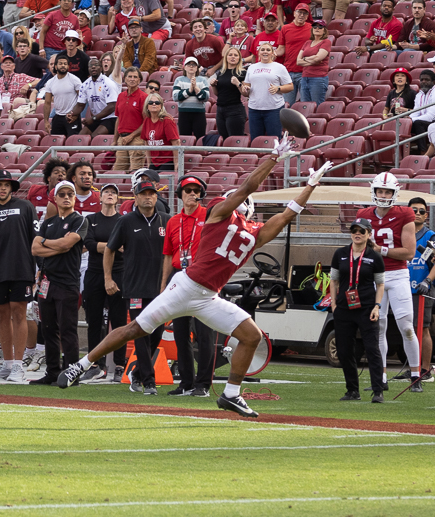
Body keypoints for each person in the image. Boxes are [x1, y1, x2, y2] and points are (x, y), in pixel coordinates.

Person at [57, 136, 327, 421]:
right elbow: (249, 186)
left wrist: (310, 187)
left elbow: (285, 217)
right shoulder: (219, 214)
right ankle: (81, 365)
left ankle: (232, 394)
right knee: (136, 329)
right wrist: (273, 158)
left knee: (251, 336)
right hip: (185, 286)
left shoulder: (255, 232)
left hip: (208, 296)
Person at [94, 179, 170, 394]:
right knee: (140, 333)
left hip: (161, 289)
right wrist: (108, 279)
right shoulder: (126, 221)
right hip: (135, 287)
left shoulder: (167, 220)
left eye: (151, 193)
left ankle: (137, 373)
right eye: (143, 193)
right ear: (135, 197)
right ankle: (149, 382)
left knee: (156, 333)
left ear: (156, 196)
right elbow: (110, 249)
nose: (148, 197)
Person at [356, 173, 422, 393]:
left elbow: (410, 252)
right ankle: (380, 377)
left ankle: (415, 375)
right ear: (373, 191)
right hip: (374, 278)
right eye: (380, 191)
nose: (383, 196)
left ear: (396, 193)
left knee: (406, 327)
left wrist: (380, 250)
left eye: (387, 192)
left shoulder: (405, 213)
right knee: (379, 328)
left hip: (397, 275)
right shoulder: (363, 214)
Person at [0, 170, 38, 383]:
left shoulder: (26, 207)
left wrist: (38, 269)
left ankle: (19, 366)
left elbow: (36, 239)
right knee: (1, 316)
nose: (3, 188)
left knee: (20, 314)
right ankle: (8, 364)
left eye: (6, 184)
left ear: (12, 188)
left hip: (22, 270)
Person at [162, 176, 215, 398]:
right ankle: (186, 381)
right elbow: (167, 255)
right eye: (188, 190)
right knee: (181, 332)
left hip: (202, 276)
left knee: (204, 333)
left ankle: (203, 383)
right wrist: (164, 285)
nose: (193, 194)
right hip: (179, 276)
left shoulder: (210, 216)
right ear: (180, 195)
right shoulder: (173, 221)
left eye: (197, 190)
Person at [30, 180, 88, 386]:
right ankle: (52, 372)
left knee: (67, 329)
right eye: (61, 194)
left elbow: (67, 244)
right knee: (47, 329)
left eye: (69, 194)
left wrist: (48, 243)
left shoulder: (78, 221)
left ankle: (72, 371)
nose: (66, 197)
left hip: (67, 282)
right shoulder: (47, 223)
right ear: (54, 199)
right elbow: (35, 249)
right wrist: (54, 245)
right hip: (47, 281)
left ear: (74, 198)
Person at [329, 218, 386, 403]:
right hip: (344, 308)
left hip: (367, 308)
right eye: (354, 230)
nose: (357, 233)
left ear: (369, 233)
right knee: (344, 350)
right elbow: (334, 280)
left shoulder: (374, 256)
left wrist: (377, 306)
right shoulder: (340, 254)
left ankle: (378, 391)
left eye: (362, 231)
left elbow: (380, 284)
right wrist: (334, 304)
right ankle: (352, 390)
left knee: (372, 349)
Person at [81, 183, 126, 383]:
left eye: (113, 193)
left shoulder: (123, 220)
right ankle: (94, 364)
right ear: (99, 197)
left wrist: (104, 247)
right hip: (94, 274)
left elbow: (128, 246)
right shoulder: (90, 219)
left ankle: (119, 365)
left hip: (119, 274)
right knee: (94, 321)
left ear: (118, 199)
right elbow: (88, 244)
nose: (110, 195)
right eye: (106, 192)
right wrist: (112, 246)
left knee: (119, 322)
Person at [406, 197, 435, 381]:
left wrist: (427, 281)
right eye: (414, 210)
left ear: (426, 215)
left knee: (424, 328)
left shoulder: (430, 236)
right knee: (409, 329)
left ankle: (425, 370)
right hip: (404, 289)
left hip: (422, 289)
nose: (417, 213)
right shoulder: (403, 233)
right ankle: (413, 368)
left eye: (421, 211)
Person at [242, 42, 292, 140]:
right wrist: (245, 88)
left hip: (274, 109)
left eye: (268, 50)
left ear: (273, 53)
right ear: (258, 53)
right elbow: (246, 86)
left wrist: (278, 88)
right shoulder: (252, 67)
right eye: (263, 50)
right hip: (254, 108)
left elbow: (290, 86)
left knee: (274, 139)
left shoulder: (279, 67)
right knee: (256, 140)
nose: (265, 52)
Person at [69, 57, 118, 137]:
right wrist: (71, 114)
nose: (93, 67)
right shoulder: (85, 85)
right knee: (81, 137)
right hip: (96, 118)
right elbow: (80, 105)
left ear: (101, 68)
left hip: (110, 118)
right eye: (91, 66)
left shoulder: (109, 83)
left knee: (95, 136)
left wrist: (94, 118)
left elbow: (113, 106)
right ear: (88, 69)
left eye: (96, 65)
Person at [276, 3, 311, 106]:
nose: (301, 15)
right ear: (294, 13)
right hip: (288, 71)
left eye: (305, 13)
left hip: (305, 72)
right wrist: (272, 54)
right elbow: (281, 49)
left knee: (305, 105)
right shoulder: (285, 28)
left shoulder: (312, 29)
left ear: (308, 16)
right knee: (287, 105)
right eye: (299, 12)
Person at [112, 66, 146, 171]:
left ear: (139, 80)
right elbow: (118, 119)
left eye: (135, 77)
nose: (132, 79)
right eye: (130, 76)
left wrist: (131, 136)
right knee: (118, 171)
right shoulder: (121, 96)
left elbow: (146, 121)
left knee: (136, 171)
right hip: (122, 138)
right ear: (125, 79)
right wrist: (115, 140)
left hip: (137, 139)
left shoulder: (143, 97)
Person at [42, 53, 82, 136]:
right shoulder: (50, 82)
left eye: (65, 64)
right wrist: (46, 121)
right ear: (56, 66)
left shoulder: (75, 80)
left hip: (72, 116)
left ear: (68, 66)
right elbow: (47, 103)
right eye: (60, 63)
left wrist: (75, 114)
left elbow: (82, 98)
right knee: (56, 142)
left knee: (72, 142)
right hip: (58, 116)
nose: (63, 66)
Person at [173, 56, 209, 141]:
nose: (191, 66)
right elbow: (176, 96)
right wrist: (189, 91)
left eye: (194, 65)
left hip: (199, 114)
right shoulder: (179, 80)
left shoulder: (202, 80)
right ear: (185, 67)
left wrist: (195, 87)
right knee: (185, 139)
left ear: (197, 68)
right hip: (184, 114)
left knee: (200, 139)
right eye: (189, 64)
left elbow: (205, 97)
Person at [410, 70, 435, 154]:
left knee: (418, 123)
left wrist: (412, 120)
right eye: (422, 80)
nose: (424, 82)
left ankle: (423, 151)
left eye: (427, 80)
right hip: (423, 121)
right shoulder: (419, 94)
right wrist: (408, 119)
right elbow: (415, 112)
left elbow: (430, 116)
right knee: (403, 123)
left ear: (433, 81)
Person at [297, 19, 330, 105]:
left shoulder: (326, 42)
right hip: (304, 77)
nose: (317, 28)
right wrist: (311, 60)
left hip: (318, 78)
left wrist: (305, 59)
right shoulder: (307, 42)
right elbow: (298, 61)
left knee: (317, 105)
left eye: (320, 27)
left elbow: (318, 58)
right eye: (315, 26)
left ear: (324, 30)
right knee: (305, 105)